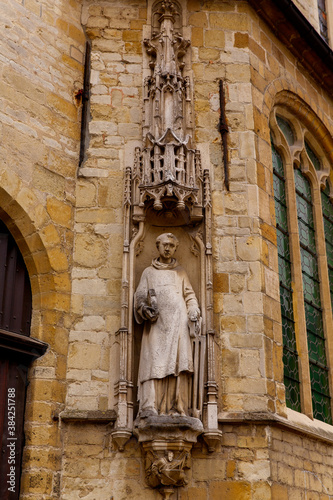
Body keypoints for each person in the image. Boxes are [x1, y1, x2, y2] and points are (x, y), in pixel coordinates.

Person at [134, 233, 201, 417]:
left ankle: (176, 407)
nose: (167, 248)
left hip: (178, 324)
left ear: (175, 248)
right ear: (158, 246)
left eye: (171, 245)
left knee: (177, 365)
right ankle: (151, 407)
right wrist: (144, 309)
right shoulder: (149, 272)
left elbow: (189, 295)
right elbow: (140, 296)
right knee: (153, 361)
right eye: (164, 244)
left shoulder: (180, 272)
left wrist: (193, 310)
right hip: (156, 325)